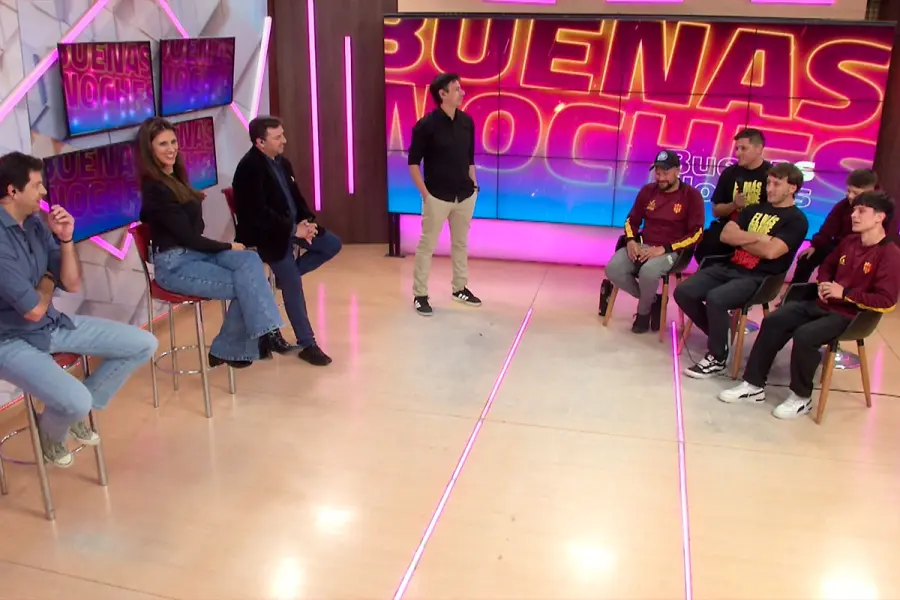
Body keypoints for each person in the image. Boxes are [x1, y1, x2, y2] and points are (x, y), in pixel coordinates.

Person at [0, 151, 158, 467]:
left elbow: (71, 283)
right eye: (36, 185)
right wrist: (48, 279)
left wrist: (66, 239)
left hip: (50, 324)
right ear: (12, 191)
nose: (44, 192)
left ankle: (71, 412)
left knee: (144, 344)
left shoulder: (34, 223)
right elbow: (33, 309)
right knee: (76, 400)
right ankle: (52, 433)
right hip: (10, 339)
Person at [720, 190, 900, 419]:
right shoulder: (849, 241)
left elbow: (886, 301)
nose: (853, 215)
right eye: (854, 210)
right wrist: (824, 283)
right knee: (775, 320)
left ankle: (801, 397)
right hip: (824, 304)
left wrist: (845, 294)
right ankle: (753, 385)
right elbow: (827, 266)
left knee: (805, 335)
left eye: (861, 211)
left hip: (852, 316)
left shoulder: (890, 254)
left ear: (879, 217)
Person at [137, 117, 293, 370]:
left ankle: (249, 340)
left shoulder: (175, 178)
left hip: (194, 254)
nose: (171, 148)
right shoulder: (156, 189)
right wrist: (228, 246)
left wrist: (191, 206)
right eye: (163, 144)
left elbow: (193, 229)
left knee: (250, 260)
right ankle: (259, 337)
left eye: (173, 142)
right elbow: (189, 237)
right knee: (249, 283)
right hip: (175, 265)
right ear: (150, 149)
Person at [674, 162, 809, 379]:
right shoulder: (753, 209)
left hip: (761, 278)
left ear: (792, 188)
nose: (769, 188)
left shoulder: (796, 220)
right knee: (683, 292)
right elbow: (726, 235)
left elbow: (771, 252)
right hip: (731, 266)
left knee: (716, 298)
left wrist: (743, 240)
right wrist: (760, 238)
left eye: (776, 184)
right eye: (768, 183)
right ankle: (722, 334)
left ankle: (718, 357)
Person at [231, 116, 341, 366]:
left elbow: (296, 199)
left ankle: (283, 277)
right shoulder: (248, 169)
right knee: (293, 282)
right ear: (260, 142)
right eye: (278, 137)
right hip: (266, 236)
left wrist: (307, 222)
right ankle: (308, 344)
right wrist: (293, 230)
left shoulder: (282, 162)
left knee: (331, 244)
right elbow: (258, 215)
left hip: (293, 228)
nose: (285, 140)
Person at [603, 150, 704, 332]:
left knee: (648, 272)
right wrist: (631, 241)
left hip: (673, 250)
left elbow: (696, 233)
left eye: (665, 173)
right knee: (613, 269)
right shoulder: (647, 191)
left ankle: (643, 314)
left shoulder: (691, 195)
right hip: (644, 245)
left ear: (678, 171)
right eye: (657, 173)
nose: (660, 178)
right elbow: (631, 220)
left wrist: (664, 249)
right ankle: (653, 300)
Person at [408, 73, 481, 316]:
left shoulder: (467, 122)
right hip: (437, 196)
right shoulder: (426, 125)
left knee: (460, 243)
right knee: (427, 245)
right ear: (442, 94)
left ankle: (460, 288)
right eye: (457, 89)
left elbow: (470, 159)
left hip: (465, 195)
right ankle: (420, 294)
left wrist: (474, 185)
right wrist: (426, 195)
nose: (462, 93)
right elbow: (413, 163)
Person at [790, 169, 891, 284]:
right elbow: (829, 227)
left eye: (856, 193)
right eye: (849, 191)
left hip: (864, 251)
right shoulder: (843, 205)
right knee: (807, 258)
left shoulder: (882, 209)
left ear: (871, 190)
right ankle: (795, 291)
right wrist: (815, 246)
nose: (850, 196)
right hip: (839, 245)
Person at [694, 128, 772, 265]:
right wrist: (734, 205)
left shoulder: (772, 175)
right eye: (737, 148)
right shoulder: (729, 173)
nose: (737, 153)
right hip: (728, 227)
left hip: (759, 231)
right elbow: (716, 211)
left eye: (743, 149)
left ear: (759, 149)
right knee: (705, 247)